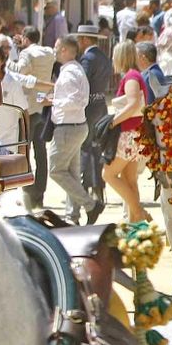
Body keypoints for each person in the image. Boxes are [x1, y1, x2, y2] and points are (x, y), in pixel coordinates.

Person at [47, 36, 98, 223]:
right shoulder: (74, 70)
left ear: (66, 50)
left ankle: (90, 204)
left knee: (56, 170)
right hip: (74, 126)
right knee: (72, 173)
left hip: (68, 128)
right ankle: (73, 215)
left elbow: (78, 101)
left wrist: (54, 101)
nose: (55, 49)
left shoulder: (70, 72)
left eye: (57, 46)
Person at [101, 41, 150, 225]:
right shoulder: (135, 75)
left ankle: (139, 212)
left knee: (108, 174)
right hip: (136, 133)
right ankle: (135, 226)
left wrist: (112, 122)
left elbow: (133, 104)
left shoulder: (131, 77)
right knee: (129, 180)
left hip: (129, 133)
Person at [10, 25, 57, 212]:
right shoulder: (48, 52)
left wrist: (13, 56)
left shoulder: (27, 54)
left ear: (25, 38)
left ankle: (28, 192)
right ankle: (40, 193)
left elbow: (19, 72)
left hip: (28, 103)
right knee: (41, 152)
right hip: (42, 101)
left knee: (25, 151)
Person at [76, 23, 114, 213]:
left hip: (89, 106)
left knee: (86, 146)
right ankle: (98, 184)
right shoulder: (104, 57)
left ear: (84, 40)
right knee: (97, 146)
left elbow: (82, 83)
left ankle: (87, 184)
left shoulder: (87, 59)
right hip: (101, 104)